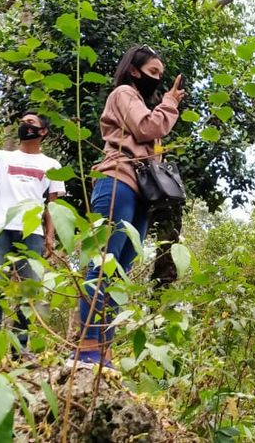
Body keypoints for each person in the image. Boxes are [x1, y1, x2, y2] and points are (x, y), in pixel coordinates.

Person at [73, 45, 184, 367]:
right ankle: (88, 344)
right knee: (104, 262)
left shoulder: (139, 101)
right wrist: (170, 103)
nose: (158, 80)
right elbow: (148, 128)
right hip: (117, 180)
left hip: (140, 192)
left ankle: (103, 347)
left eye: (160, 76)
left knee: (121, 267)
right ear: (134, 71)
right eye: (153, 73)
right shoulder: (124, 93)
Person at [0, 104, 66, 352]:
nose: (26, 125)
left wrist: (50, 236)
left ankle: (20, 351)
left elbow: (52, 205)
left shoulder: (51, 164)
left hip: (32, 234)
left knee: (29, 294)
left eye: (31, 122)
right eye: (24, 121)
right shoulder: (2, 157)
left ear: (43, 131)